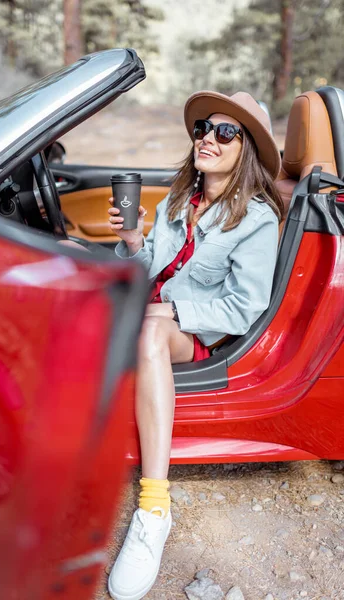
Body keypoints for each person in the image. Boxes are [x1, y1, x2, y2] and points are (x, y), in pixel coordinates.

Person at [107, 91, 284, 600]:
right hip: (153, 311)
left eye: (226, 132)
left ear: (245, 148)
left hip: (194, 334)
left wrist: (172, 311)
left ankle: (154, 507)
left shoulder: (256, 220)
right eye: (205, 127)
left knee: (148, 330)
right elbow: (150, 275)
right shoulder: (178, 200)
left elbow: (245, 307)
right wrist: (137, 243)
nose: (209, 137)